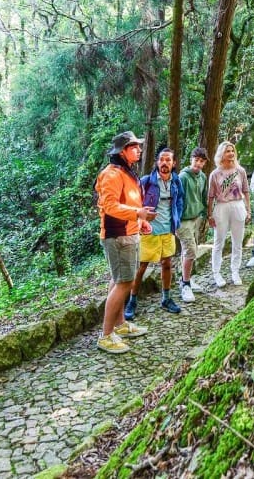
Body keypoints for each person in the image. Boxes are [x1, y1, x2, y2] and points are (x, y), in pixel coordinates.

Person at [94, 131, 156, 354]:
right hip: (117, 235)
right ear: (122, 151)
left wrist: (141, 221)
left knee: (119, 280)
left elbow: (130, 202)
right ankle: (106, 335)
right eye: (134, 147)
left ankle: (119, 325)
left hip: (128, 232)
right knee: (124, 282)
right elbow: (109, 206)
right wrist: (137, 214)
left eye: (139, 146)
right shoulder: (111, 174)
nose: (139, 150)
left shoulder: (126, 172)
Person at [126, 148, 184, 319]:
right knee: (141, 267)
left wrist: (177, 219)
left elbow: (180, 200)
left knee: (167, 264)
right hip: (148, 231)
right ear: (157, 162)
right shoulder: (146, 181)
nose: (164, 163)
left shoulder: (176, 182)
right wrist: (140, 222)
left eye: (168, 160)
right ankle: (132, 301)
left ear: (174, 163)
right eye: (162, 160)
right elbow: (134, 203)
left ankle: (166, 298)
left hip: (168, 230)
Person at [206, 141, 250, 288]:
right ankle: (216, 273)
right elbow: (210, 196)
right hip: (221, 207)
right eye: (227, 151)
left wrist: (248, 210)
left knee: (238, 242)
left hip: (238, 205)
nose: (231, 153)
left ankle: (235, 271)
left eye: (232, 151)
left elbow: (246, 191)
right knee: (219, 241)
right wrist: (209, 215)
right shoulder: (215, 174)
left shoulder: (240, 171)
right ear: (221, 154)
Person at [176, 146, 210, 302]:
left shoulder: (202, 177)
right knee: (191, 251)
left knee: (188, 249)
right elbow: (175, 199)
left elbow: (203, 196)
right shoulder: (183, 177)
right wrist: (175, 220)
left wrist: (204, 213)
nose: (198, 163)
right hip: (183, 220)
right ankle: (186, 284)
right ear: (191, 160)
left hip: (196, 218)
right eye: (196, 160)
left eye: (202, 161)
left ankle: (185, 279)